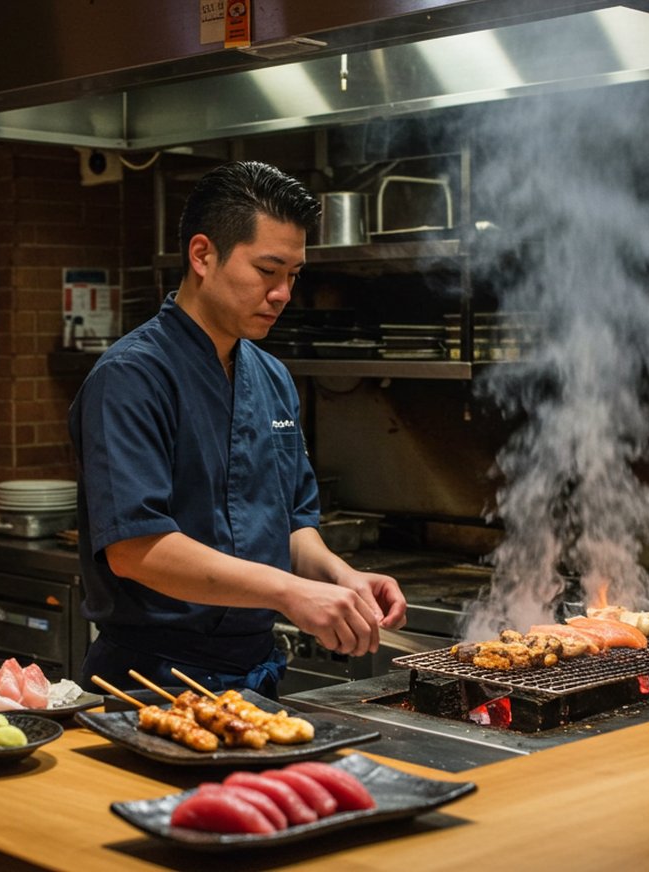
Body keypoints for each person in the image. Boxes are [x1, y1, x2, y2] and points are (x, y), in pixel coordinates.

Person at [69, 161, 407, 698]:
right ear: (202, 255)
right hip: (148, 679)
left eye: (293, 275)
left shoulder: (271, 377)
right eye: (267, 270)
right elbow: (135, 548)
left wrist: (339, 576)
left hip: (254, 680)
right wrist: (289, 593)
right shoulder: (131, 376)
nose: (283, 293)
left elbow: (292, 525)